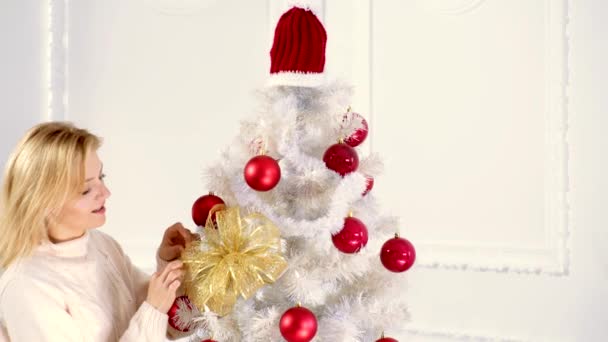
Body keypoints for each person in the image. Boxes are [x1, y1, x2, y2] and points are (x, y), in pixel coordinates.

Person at [0, 121, 195, 341]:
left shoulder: (103, 246)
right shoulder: (27, 287)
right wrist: (154, 310)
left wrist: (170, 267)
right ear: (44, 202)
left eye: (101, 177)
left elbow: (172, 324)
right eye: (85, 189)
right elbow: (152, 314)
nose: (106, 193)